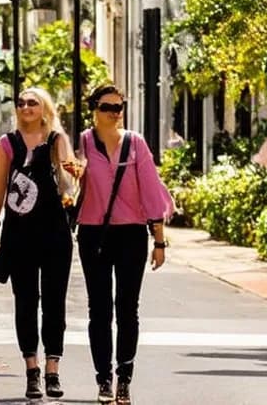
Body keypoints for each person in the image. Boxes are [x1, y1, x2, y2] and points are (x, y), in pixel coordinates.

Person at [76, 84, 174, 405]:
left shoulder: (135, 143)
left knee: (127, 310)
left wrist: (159, 241)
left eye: (119, 107)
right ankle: (103, 379)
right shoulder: (83, 143)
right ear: (95, 109)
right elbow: (71, 181)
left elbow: (151, 191)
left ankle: (124, 379)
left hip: (132, 235)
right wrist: (73, 174)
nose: (114, 113)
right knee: (99, 310)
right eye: (108, 107)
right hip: (94, 234)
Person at [0, 87, 78, 400]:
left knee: (55, 302)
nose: (25, 107)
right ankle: (32, 370)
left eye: (32, 103)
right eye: (21, 103)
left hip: (54, 231)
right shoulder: (7, 143)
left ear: (44, 109)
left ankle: (53, 368)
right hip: (18, 233)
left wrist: (73, 171)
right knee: (25, 301)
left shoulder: (56, 140)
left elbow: (69, 182)